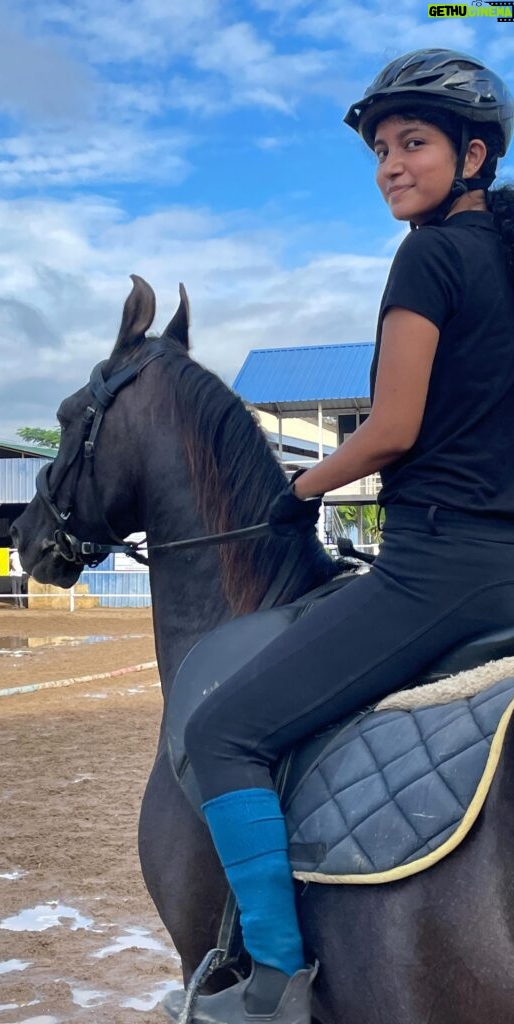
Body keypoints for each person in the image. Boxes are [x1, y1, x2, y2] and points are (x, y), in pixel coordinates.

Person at [168, 50, 514, 1024]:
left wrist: (301, 486)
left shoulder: (432, 256)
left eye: (413, 143)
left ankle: (273, 981)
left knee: (224, 729)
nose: (389, 166)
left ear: (474, 152)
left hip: (438, 570)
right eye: (379, 150)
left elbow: (393, 426)